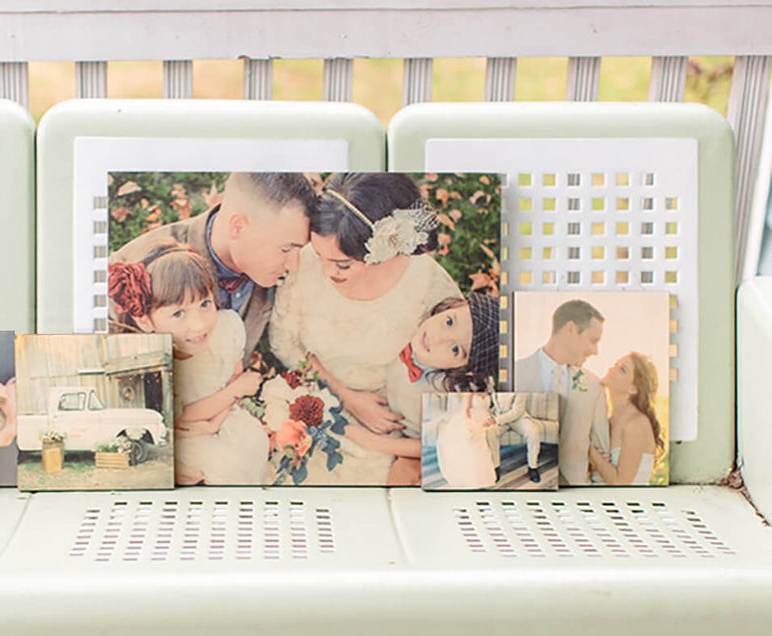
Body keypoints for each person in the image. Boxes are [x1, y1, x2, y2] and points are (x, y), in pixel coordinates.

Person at [269, 173, 462, 437]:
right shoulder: (304, 263)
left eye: (342, 264)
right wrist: (346, 396)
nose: (325, 271)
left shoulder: (427, 284)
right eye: (318, 254)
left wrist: (408, 454)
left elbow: (457, 368)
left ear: (383, 252)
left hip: (393, 420)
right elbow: (285, 342)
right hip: (316, 402)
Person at [109, 241, 269, 485]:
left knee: (253, 442)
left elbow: (233, 377)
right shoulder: (150, 361)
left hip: (224, 418)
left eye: (205, 304)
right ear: (145, 321)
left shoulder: (226, 327)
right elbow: (180, 416)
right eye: (179, 313)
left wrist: (215, 421)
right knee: (221, 468)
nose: (199, 325)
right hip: (185, 436)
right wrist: (232, 394)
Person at [110, 172, 316, 359]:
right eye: (286, 249)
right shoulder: (138, 268)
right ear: (238, 227)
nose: (294, 266)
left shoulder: (269, 270)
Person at [343, 291, 499, 485]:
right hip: (385, 408)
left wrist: (374, 442)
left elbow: (432, 443)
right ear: (451, 307)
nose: (437, 339)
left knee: (403, 472)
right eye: (449, 322)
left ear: (464, 370)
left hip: (424, 441)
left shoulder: (450, 390)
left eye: (455, 349)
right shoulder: (407, 321)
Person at [514, 298, 609, 485]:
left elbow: (601, 452)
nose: (595, 351)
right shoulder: (515, 373)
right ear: (571, 329)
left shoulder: (594, 386)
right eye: (593, 341)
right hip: (523, 485)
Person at [589, 352, 664, 485]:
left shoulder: (637, 424)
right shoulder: (608, 420)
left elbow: (621, 482)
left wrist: (589, 450)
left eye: (622, 369)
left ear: (633, 388)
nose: (612, 369)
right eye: (615, 364)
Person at [433, 393, 498, 489]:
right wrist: (470, 424)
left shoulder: (489, 392)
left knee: (484, 445)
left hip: (486, 418)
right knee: (476, 444)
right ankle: (473, 478)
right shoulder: (470, 393)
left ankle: (487, 475)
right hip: (474, 418)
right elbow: (466, 409)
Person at [485, 392, 543, 484]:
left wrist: (496, 420)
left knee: (533, 432)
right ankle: (496, 467)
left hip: (518, 419)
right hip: (499, 417)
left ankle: (533, 467)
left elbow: (517, 412)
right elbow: (492, 406)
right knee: (490, 432)